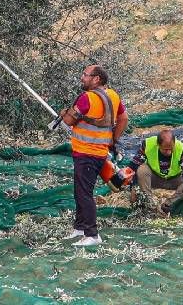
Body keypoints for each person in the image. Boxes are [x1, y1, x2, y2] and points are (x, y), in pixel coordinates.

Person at [60, 64, 128, 247]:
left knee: (84, 193)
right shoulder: (113, 96)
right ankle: (80, 227)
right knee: (80, 190)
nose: (82, 77)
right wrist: (113, 139)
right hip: (99, 152)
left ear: (96, 78)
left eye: (85, 74)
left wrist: (64, 113)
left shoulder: (87, 98)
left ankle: (92, 234)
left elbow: (68, 121)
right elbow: (123, 119)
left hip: (86, 152)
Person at [127, 129, 183, 219]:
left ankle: (168, 205)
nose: (168, 152)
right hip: (155, 177)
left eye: (171, 149)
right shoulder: (148, 144)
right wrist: (133, 187)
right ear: (158, 145)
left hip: (174, 179)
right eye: (165, 149)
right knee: (142, 170)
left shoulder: (182, 149)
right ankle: (150, 205)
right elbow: (133, 166)